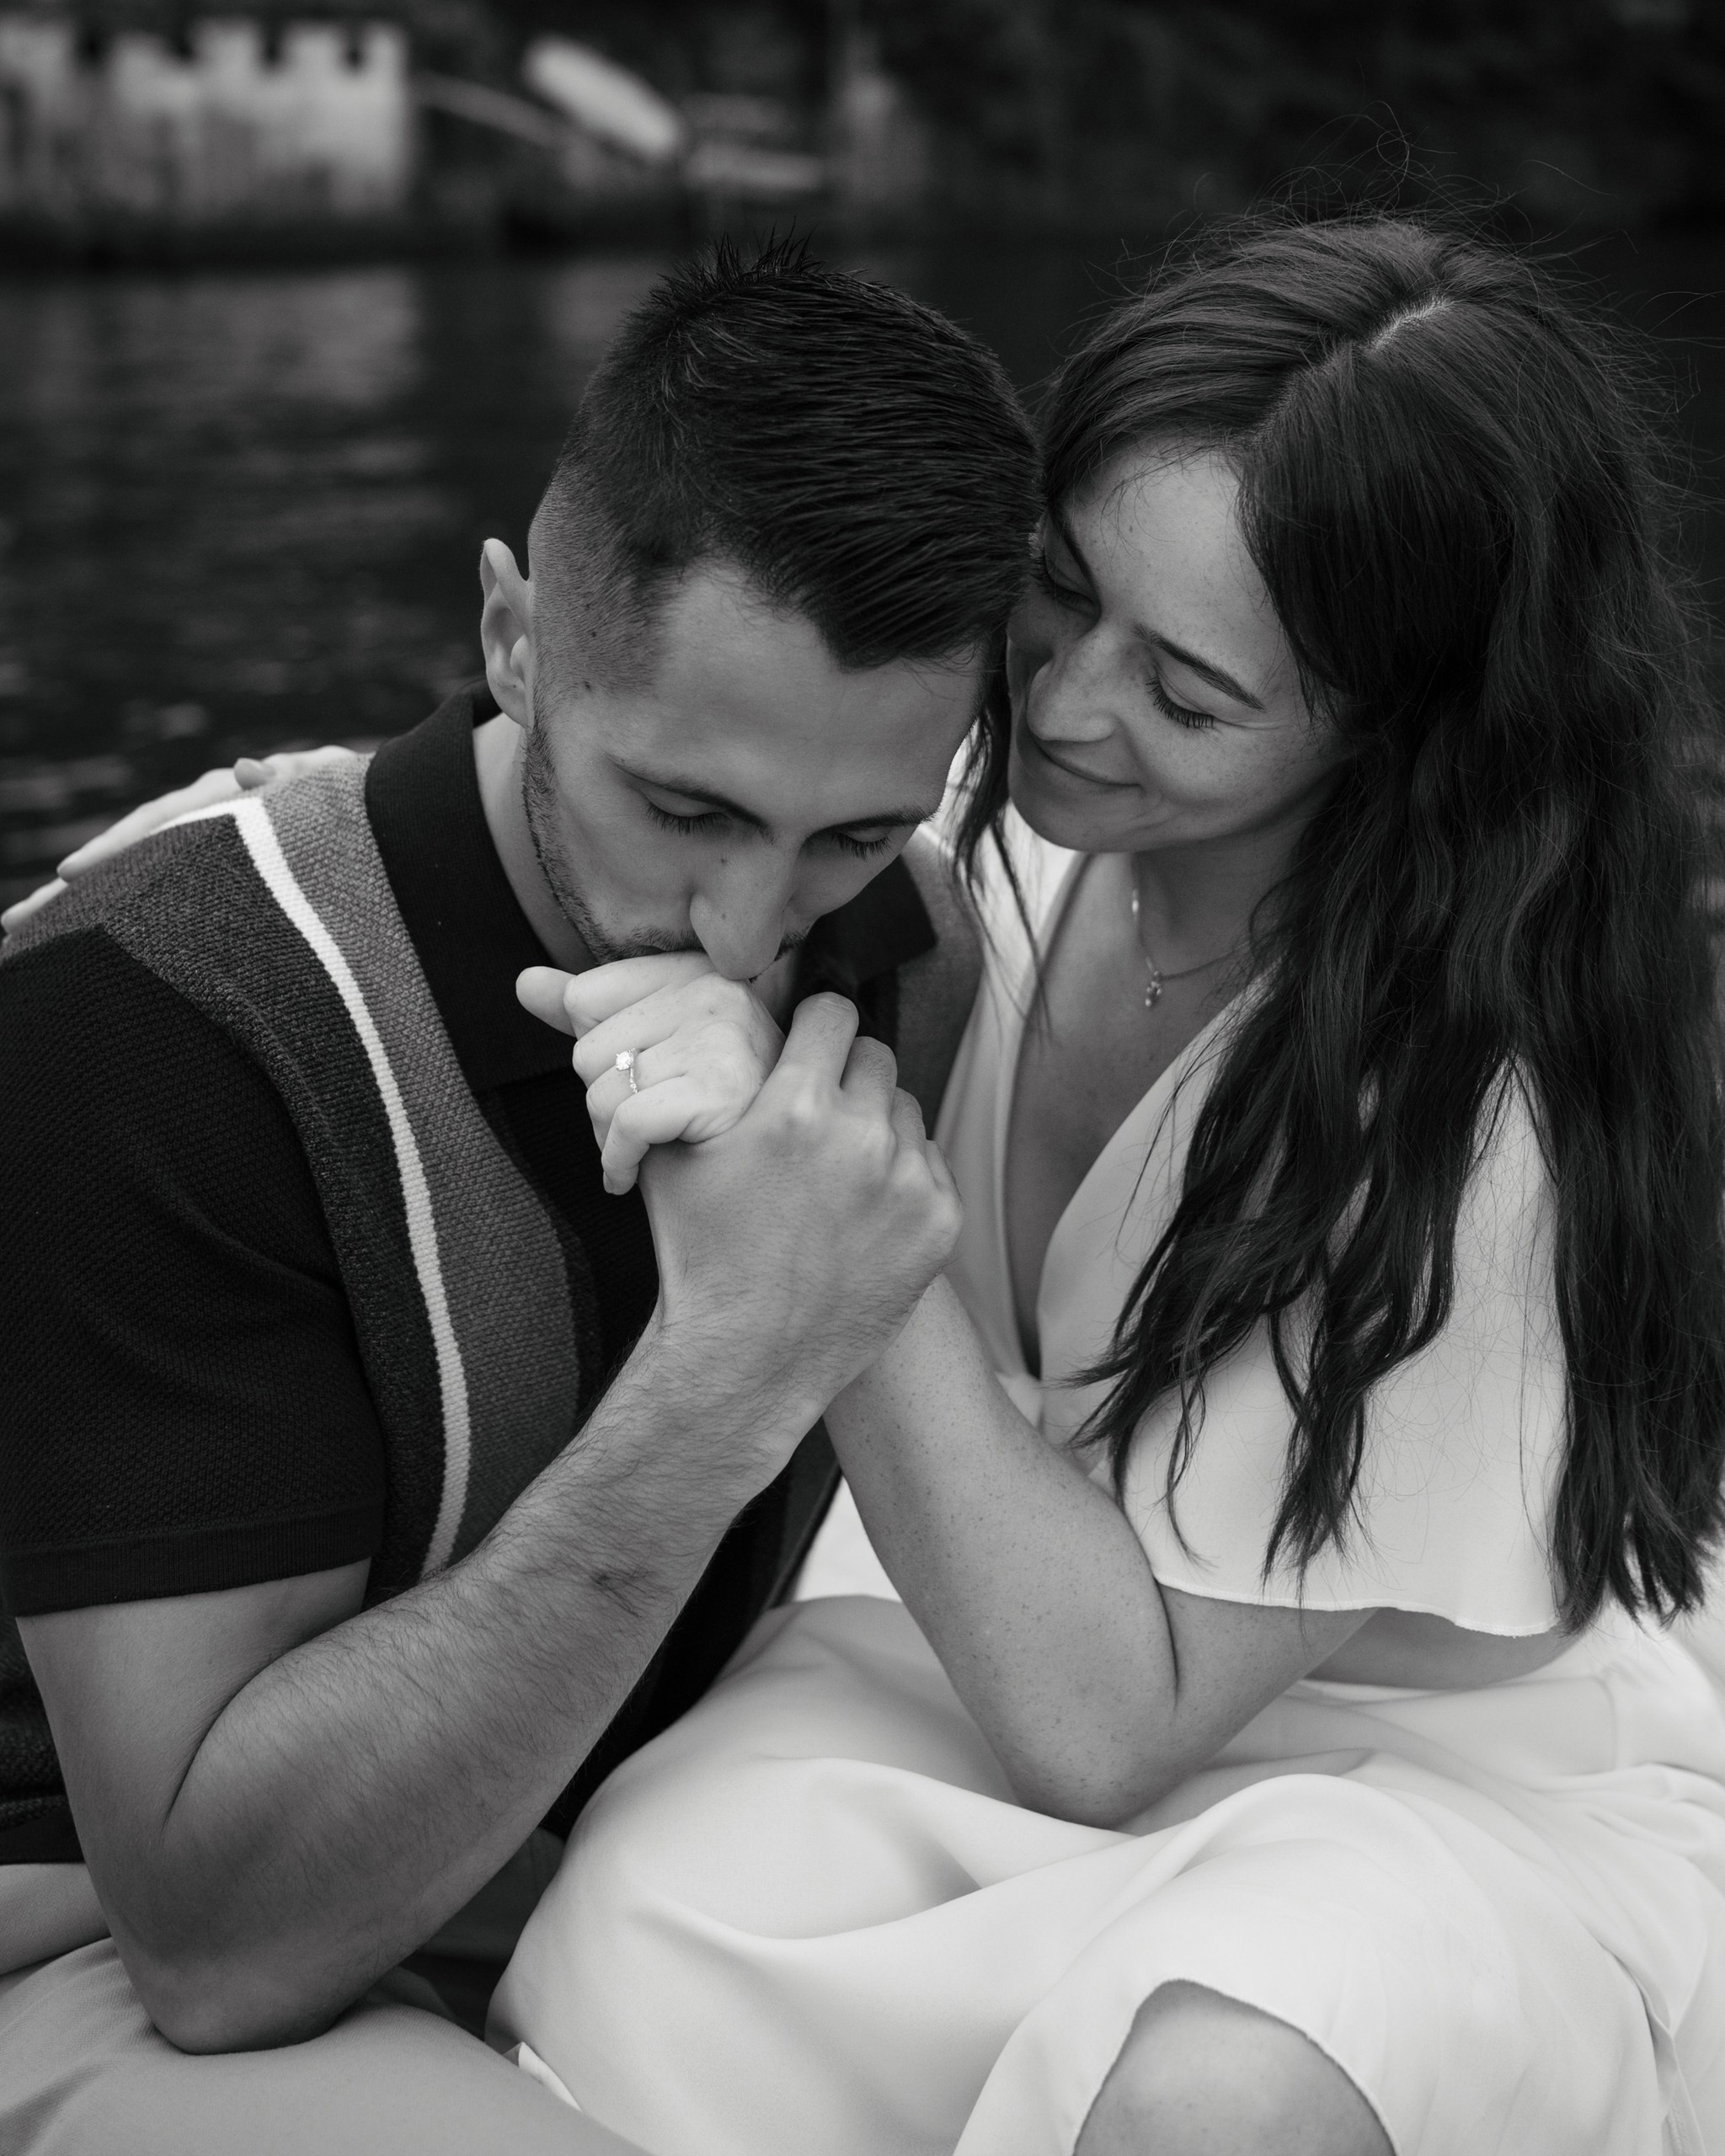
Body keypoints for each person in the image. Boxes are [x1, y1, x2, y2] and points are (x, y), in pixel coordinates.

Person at [483, 212, 1725, 2156]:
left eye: (1190, 693)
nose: (1062, 708)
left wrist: (832, 1223)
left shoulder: (1468, 1104)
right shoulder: (993, 858)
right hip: (975, 1650)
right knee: (643, 1930)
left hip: (1402, 1782)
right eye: (1060, 593)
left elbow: (1107, 1723)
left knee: (1214, 2092)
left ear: (1394, 724)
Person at [0, 239, 1037, 2152]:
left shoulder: (913, 948)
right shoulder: (148, 1020)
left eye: (853, 830)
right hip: (101, 1936)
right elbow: (214, 1943)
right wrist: (738, 1366)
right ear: (509, 639)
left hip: (622, 1855)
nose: (749, 933)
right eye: (686, 809)